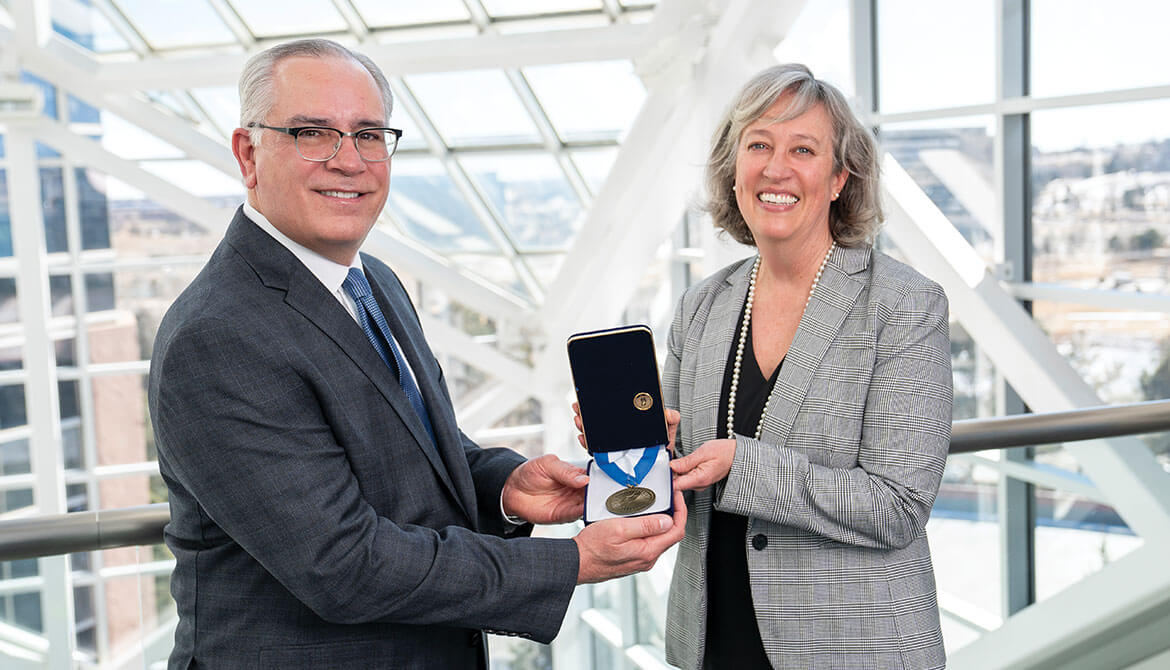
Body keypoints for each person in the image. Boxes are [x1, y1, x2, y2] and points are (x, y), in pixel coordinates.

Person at [147, 38, 684, 670]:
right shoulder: (218, 336)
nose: (349, 161)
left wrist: (508, 489)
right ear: (248, 153)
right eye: (313, 133)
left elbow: (414, 452)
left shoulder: (371, 282)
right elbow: (342, 565)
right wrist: (572, 562)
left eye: (369, 134)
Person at [661, 64, 952, 669]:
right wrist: (635, 444)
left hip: (854, 647)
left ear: (841, 176)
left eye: (803, 149)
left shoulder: (902, 304)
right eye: (759, 145)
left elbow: (896, 506)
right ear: (733, 166)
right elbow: (673, 472)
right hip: (715, 643)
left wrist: (744, 467)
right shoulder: (701, 307)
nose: (775, 168)